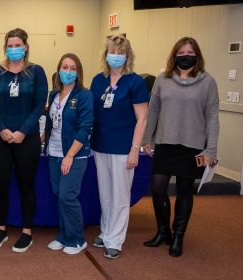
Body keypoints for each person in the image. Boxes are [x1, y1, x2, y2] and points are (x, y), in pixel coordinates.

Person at [142, 37, 219, 257]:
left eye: (189, 53)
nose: (185, 56)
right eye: (181, 53)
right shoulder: (162, 79)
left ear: (197, 56)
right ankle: (163, 231)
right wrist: (147, 139)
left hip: (192, 146)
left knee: (185, 192)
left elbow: (212, 117)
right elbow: (153, 110)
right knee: (157, 188)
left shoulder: (207, 82)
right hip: (165, 142)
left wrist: (211, 150)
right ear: (174, 55)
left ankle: (178, 236)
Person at [0, 28, 48, 253]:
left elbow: (40, 104)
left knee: (26, 186)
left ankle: (27, 232)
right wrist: (1, 129)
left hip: (27, 139)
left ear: (25, 47)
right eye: (9, 46)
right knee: (1, 184)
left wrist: (22, 131)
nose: (13, 50)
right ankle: (1, 229)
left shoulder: (36, 72)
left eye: (17, 45)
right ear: (5, 48)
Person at [89, 34, 149, 259]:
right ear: (106, 55)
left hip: (124, 148)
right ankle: (106, 232)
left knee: (120, 196)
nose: (115, 56)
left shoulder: (135, 82)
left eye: (120, 53)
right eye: (112, 52)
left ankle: (115, 240)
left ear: (128, 56)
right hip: (100, 145)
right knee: (105, 194)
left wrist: (135, 149)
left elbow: (142, 119)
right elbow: (92, 112)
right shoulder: (98, 80)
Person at [43, 53, 93, 255]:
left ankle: (77, 239)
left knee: (68, 196)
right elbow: (51, 124)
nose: (68, 72)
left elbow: (85, 127)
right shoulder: (53, 94)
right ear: (59, 70)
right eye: (65, 67)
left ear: (78, 72)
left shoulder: (84, 95)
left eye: (73, 68)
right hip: (53, 152)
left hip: (74, 155)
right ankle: (64, 236)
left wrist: (70, 155)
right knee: (59, 196)